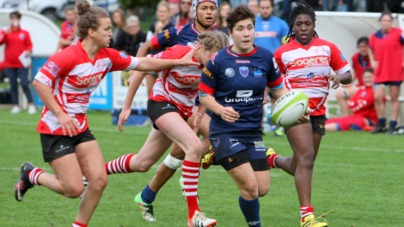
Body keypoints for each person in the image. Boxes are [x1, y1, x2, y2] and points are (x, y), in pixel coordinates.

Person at [13, 1, 200, 227]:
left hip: (80, 127)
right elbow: (39, 82)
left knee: (99, 181)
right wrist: (60, 114)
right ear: (91, 32)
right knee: (72, 189)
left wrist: (177, 60)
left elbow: (142, 62)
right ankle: (31, 175)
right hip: (55, 128)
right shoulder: (68, 55)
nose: (111, 33)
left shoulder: (108, 56)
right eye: (106, 29)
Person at [198, 5, 308, 227]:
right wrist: (220, 110)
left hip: (252, 132)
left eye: (250, 27)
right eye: (240, 28)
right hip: (225, 131)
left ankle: (217, 157)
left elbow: (278, 90)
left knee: (262, 188)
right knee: (249, 188)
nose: (246, 33)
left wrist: (296, 109)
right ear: (231, 33)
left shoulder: (266, 57)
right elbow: (204, 96)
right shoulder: (218, 60)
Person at [105, 31, 228, 227]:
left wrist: (200, 114)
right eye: (213, 57)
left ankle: (97, 172)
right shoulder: (178, 52)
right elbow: (142, 64)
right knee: (194, 146)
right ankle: (193, 214)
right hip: (160, 103)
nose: (215, 62)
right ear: (202, 48)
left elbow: (207, 92)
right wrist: (126, 106)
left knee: (142, 163)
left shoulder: (214, 66)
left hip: (184, 112)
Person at [269, 2, 352, 226]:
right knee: (306, 160)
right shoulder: (281, 53)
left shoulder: (328, 48)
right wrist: (278, 105)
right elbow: (271, 83)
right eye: (299, 24)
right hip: (296, 113)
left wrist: (338, 76)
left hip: (319, 112)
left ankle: (272, 159)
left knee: (300, 164)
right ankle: (307, 216)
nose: (303, 28)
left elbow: (348, 75)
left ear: (314, 25)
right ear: (292, 27)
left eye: (307, 23)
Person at [368, 12, 404, 134]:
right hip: (380, 71)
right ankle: (381, 124)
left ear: (391, 22)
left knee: (394, 97)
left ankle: (393, 125)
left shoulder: (399, 33)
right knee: (378, 97)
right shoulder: (374, 35)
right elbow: (370, 48)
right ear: (380, 22)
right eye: (384, 20)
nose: (386, 22)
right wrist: (372, 61)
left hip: (395, 71)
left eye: (388, 20)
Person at [0, 11, 35, 114]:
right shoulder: (5, 30)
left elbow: (29, 45)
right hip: (9, 63)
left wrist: (28, 51)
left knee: (24, 83)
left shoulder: (25, 31)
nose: (14, 20)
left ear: (19, 19)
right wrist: (5, 35)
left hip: (21, 63)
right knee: (13, 84)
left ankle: (31, 104)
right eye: (12, 18)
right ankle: (16, 105)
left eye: (16, 18)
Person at [145, 1, 175, 98]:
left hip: (164, 61)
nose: (162, 13)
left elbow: (169, 46)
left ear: (168, 12)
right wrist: (156, 31)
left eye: (164, 11)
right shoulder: (153, 26)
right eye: (160, 11)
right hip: (152, 59)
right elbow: (148, 45)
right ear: (157, 13)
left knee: (161, 90)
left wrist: (161, 32)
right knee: (149, 91)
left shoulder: (172, 27)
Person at [336, 36, 370, 116]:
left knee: (352, 92)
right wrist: (348, 82)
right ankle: (347, 117)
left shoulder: (373, 57)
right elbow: (355, 72)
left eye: (365, 46)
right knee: (339, 93)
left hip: (370, 87)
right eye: (361, 46)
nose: (363, 48)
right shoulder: (355, 57)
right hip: (359, 87)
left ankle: (357, 117)